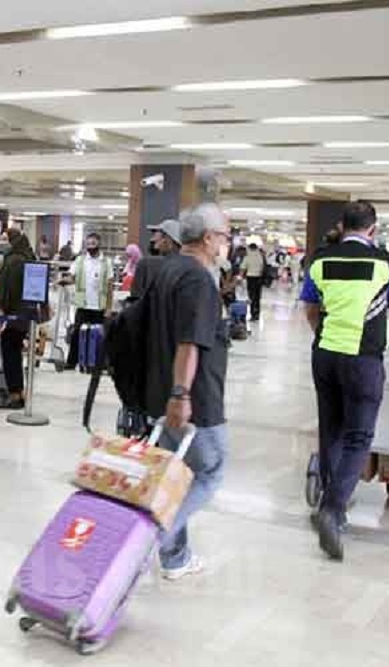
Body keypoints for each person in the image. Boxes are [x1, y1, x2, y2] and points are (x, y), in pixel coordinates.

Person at [300, 201, 389, 561]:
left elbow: (310, 311)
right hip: (363, 361)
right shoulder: (387, 265)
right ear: (373, 229)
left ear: (343, 226)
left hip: (324, 355)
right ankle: (332, 508)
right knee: (359, 436)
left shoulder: (321, 259)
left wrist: (325, 335)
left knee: (332, 429)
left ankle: (332, 503)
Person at [142, 204, 231, 580]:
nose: (228, 243)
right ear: (208, 238)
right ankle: (148, 543)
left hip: (158, 388)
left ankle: (176, 559)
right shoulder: (197, 279)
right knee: (210, 469)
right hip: (193, 397)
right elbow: (189, 343)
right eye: (226, 235)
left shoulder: (167, 270)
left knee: (174, 475)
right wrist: (182, 395)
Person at [0, 227, 37, 409]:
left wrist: (1, 309)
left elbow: (8, 289)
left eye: (5, 239)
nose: (3, 243)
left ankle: (14, 394)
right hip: (23, 314)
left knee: (10, 354)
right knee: (15, 354)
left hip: (12, 315)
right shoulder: (26, 257)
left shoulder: (14, 260)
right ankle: (18, 392)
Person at [65, 232, 113, 368]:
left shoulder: (106, 262)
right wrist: (64, 281)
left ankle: (98, 363)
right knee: (76, 334)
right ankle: (71, 362)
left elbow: (109, 287)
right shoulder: (80, 260)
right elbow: (71, 277)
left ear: (99, 244)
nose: (90, 246)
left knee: (99, 336)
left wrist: (109, 308)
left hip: (99, 306)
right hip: (83, 304)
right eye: (88, 244)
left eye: (93, 244)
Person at [131, 219, 182, 298]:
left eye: (156, 233)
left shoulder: (146, 264)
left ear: (166, 239)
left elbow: (135, 298)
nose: (152, 239)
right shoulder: (189, 267)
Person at [241, 242, 266, 321]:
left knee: (251, 296)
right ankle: (257, 314)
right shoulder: (260, 256)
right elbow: (262, 268)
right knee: (257, 297)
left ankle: (252, 314)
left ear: (250, 248)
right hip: (258, 278)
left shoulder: (247, 257)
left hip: (250, 278)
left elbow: (242, 268)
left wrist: (240, 277)